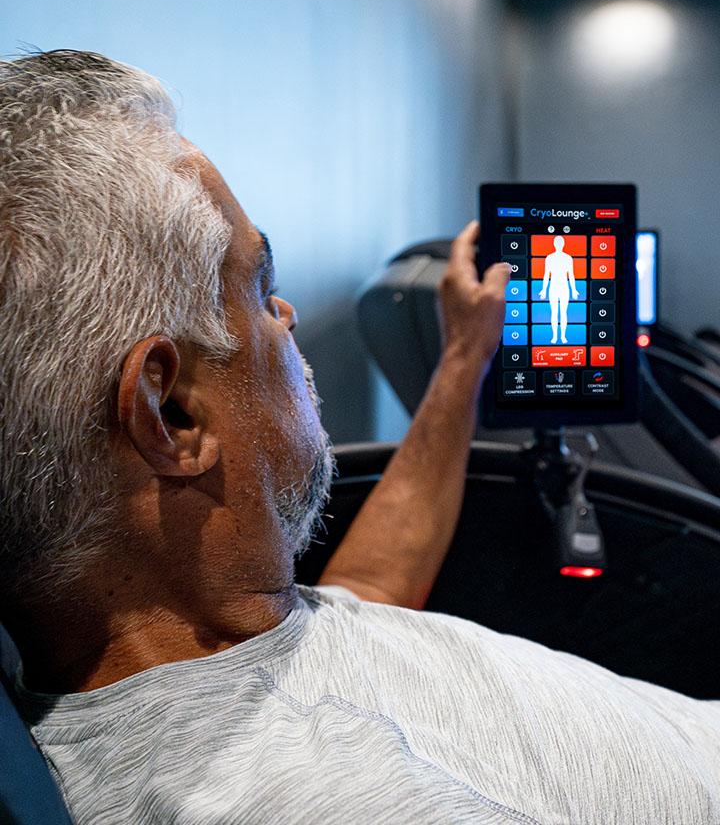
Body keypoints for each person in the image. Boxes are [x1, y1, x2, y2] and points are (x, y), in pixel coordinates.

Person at [0, 51, 718, 825]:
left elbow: (366, 595)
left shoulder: (218, 636)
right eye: (260, 288)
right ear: (172, 414)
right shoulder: (335, 797)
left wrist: (464, 358)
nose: (288, 317)